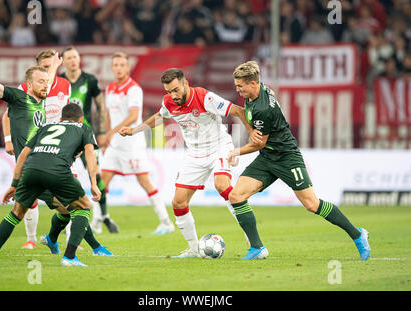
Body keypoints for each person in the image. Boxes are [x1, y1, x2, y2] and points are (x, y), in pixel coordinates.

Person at [227, 61, 371, 260]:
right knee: (236, 196)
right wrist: (252, 131)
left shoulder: (262, 109)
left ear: (252, 83)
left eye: (240, 86)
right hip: (268, 157)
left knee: (312, 204)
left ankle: (357, 234)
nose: (237, 89)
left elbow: (259, 144)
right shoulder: (261, 90)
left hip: (286, 157)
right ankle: (257, 248)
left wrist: (235, 152)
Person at [119, 68, 254, 257]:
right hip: (195, 153)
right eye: (169, 91)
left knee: (222, 185)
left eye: (176, 90)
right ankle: (193, 249)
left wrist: (252, 134)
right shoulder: (168, 102)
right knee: (179, 202)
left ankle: (251, 238)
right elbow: (159, 117)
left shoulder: (204, 97)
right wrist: (134, 130)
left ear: (185, 84)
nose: (173, 95)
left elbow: (238, 110)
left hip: (219, 147)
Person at [0, 103, 110, 266]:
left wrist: (14, 184)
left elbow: (23, 155)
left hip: (31, 170)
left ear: (61, 118)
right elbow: (90, 155)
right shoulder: (84, 128)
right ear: (81, 118)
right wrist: (93, 183)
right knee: (83, 207)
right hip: (57, 172)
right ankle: (69, 257)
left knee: (16, 214)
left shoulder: (46, 126)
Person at [2, 48, 71, 250]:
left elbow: (65, 114)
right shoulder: (25, 87)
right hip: (31, 148)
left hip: (57, 146)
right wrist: (8, 139)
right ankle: (31, 238)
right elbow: (7, 115)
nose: (50, 70)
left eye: (52, 65)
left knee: (70, 190)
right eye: (46, 66)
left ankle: (69, 239)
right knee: (28, 195)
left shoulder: (65, 85)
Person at [101, 52, 174, 235]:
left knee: (144, 181)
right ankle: (95, 221)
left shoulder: (133, 89)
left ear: (127, 68)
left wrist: (110, 132)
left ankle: (166, 222)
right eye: (115, 64)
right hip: (115, 145)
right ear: (112, 67)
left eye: (121, 65)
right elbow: (108, 113)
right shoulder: (110, 88)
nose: (118, 68)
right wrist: (106, 136)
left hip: (132, 144)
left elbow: (133, 116)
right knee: (102, 182)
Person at [59, 46, 118, 234]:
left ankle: (102, 216)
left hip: (85, 135)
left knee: (96, 173)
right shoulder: (58, 80)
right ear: (64, 61)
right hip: (64, 136)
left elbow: (101, 106)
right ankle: (67, 219)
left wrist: (101, 131)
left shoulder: (90, 80)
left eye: (75, 57)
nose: (73, 60)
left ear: (79, 59)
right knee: (62, 176)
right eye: (69, 58)